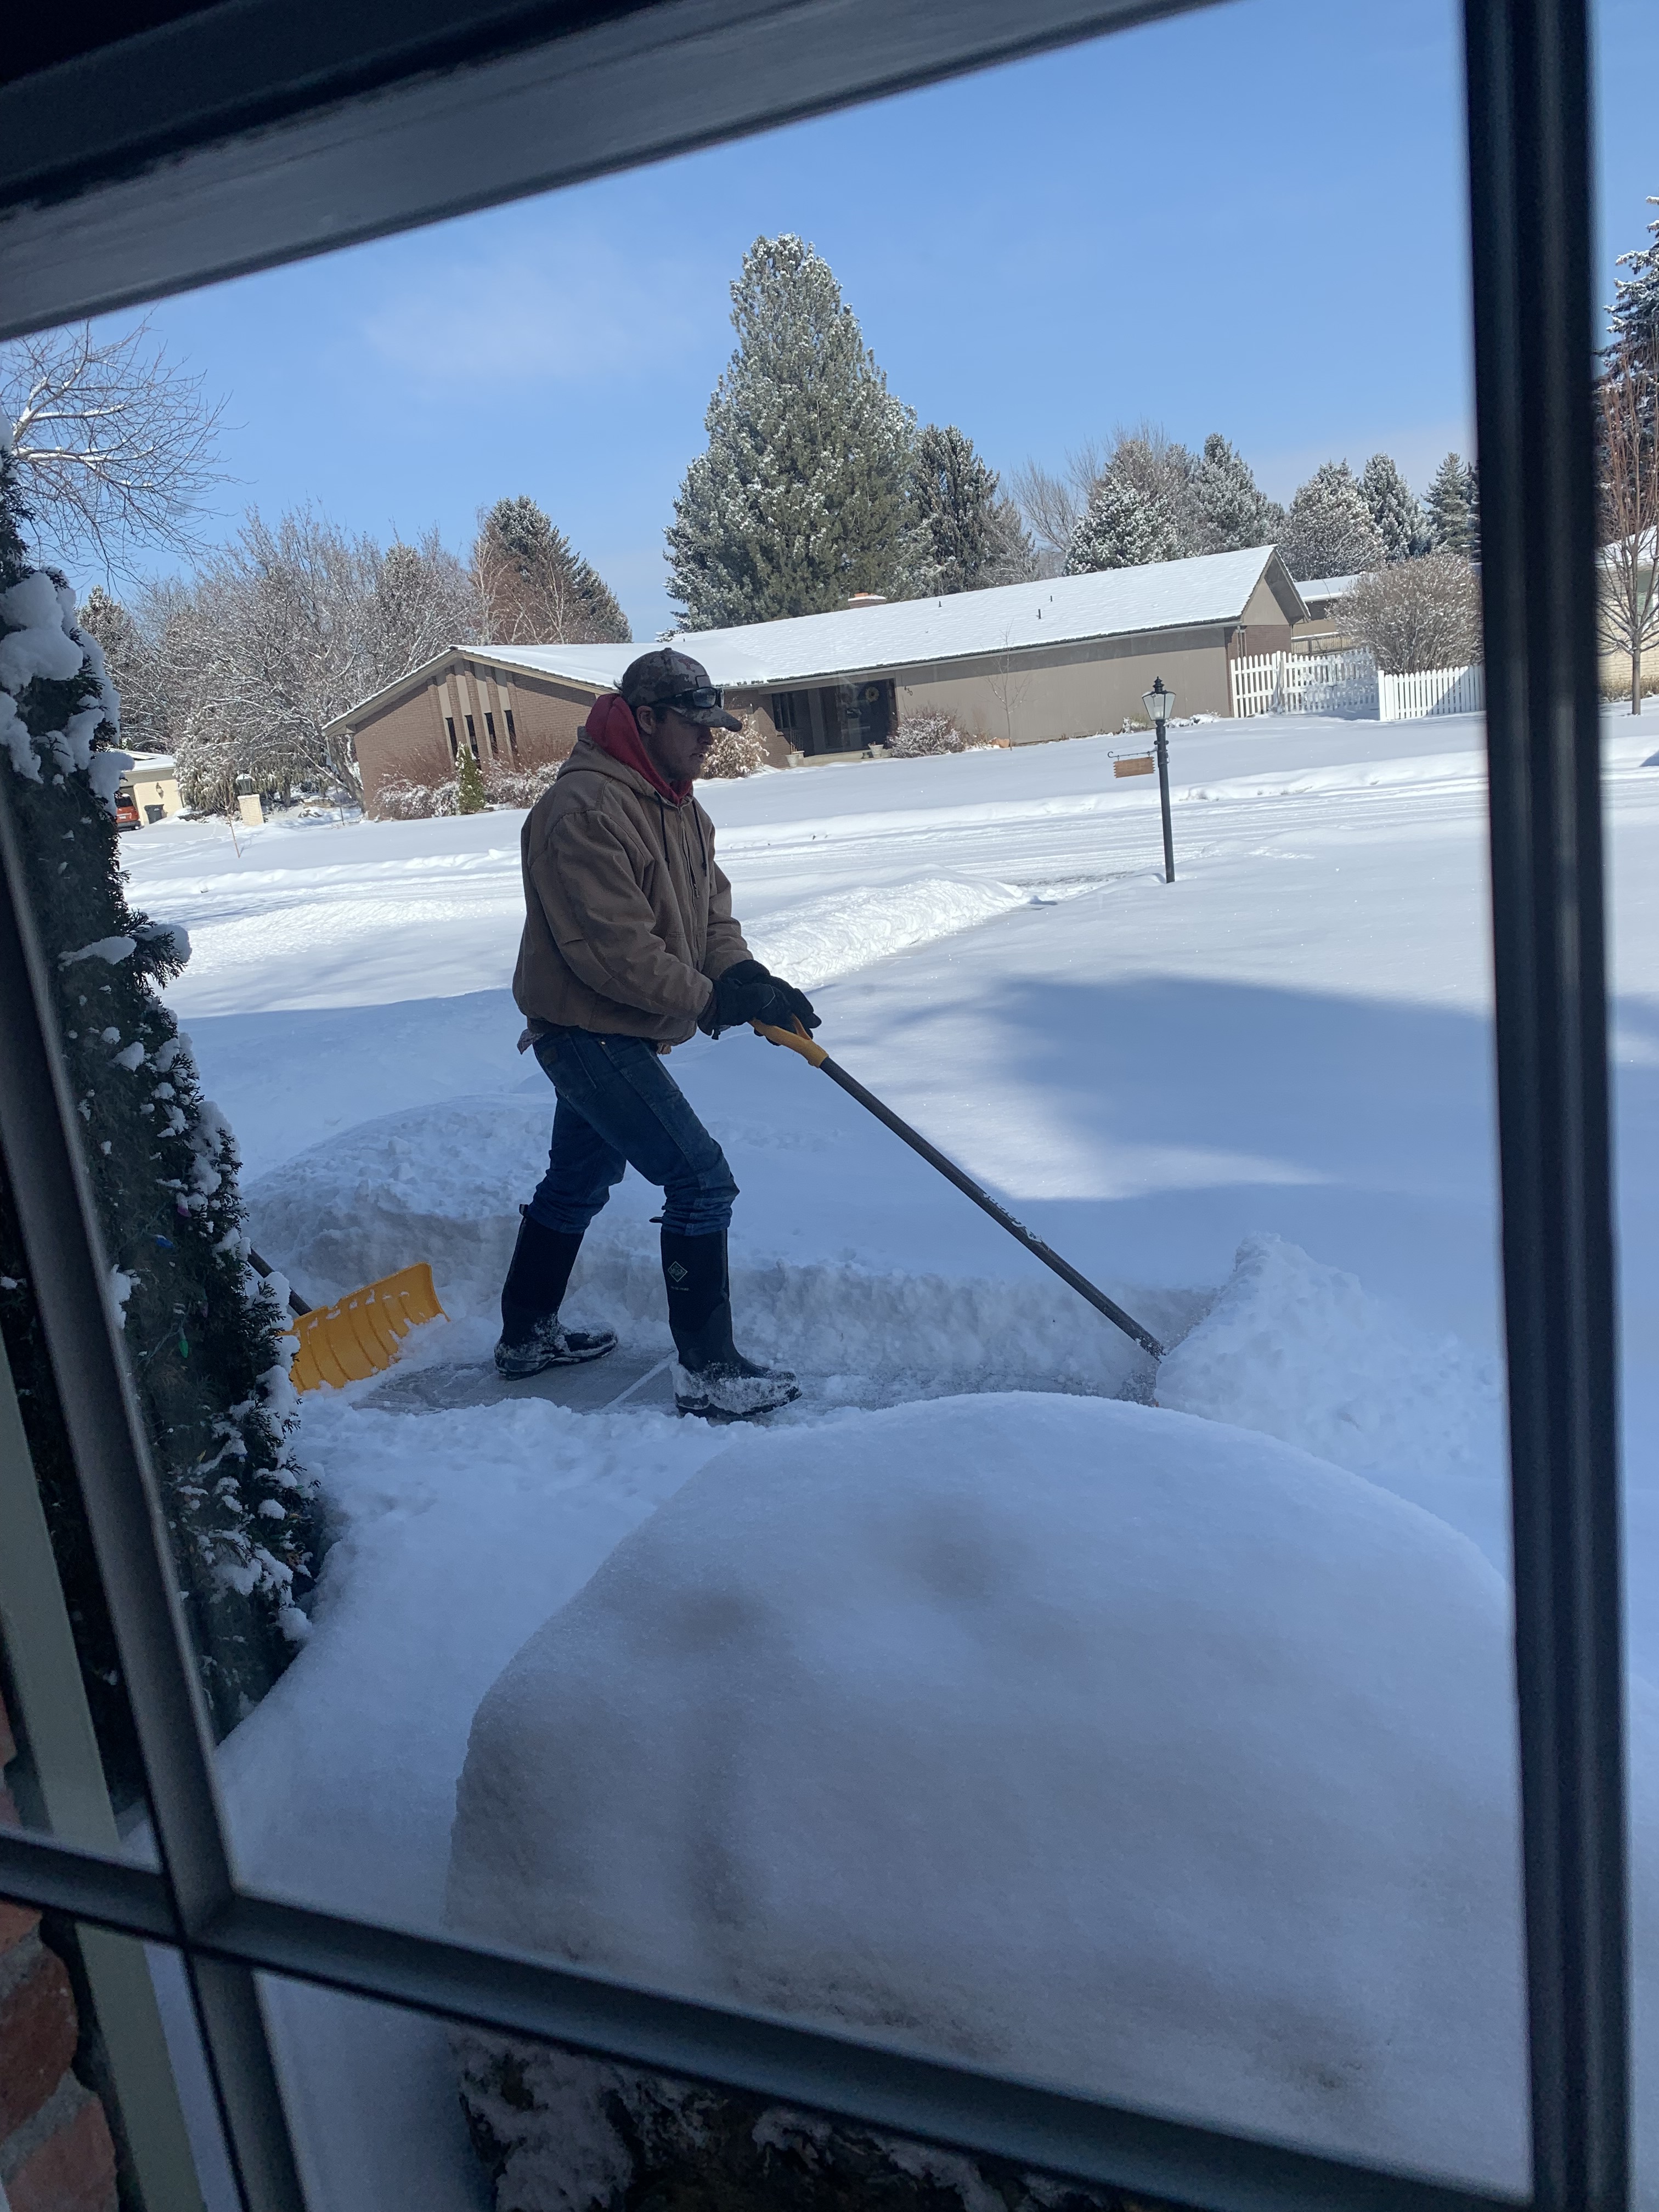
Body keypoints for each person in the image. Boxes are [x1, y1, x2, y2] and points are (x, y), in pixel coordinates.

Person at [498, 648, 820, 1420]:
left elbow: (711, 921)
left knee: (577, 1183)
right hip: (584, 1032)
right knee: (700, 1180)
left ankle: (525, 1336)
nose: (710, 740)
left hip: (620, 1029)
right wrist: (714, 1003)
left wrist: (746, 977)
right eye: (694, 724)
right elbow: (616, 953)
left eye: (715, 725)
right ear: (645, 719)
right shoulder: (583, 811)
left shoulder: (681, 809)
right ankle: (707, 1370)